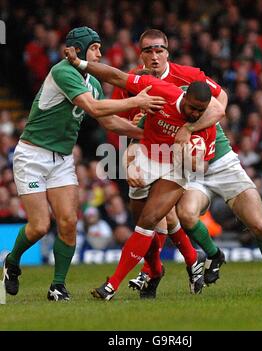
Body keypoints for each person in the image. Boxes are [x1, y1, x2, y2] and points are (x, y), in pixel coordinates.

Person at [124, 29, 262, 296]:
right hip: (185, 167)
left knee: (260, 226)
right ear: (141, 53)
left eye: (159, 50)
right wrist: (133, 145)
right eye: (149, 51)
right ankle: (209, 257)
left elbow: (221, 102)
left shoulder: (189, 75)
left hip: (220, 161)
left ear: (167, 52)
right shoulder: (136, 83)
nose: (154, 56)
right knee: (182, 215)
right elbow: (137, 127)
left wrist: (189, 129)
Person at [2, 26, 166, 302]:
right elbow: (93, 108)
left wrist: (144, 134)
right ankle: (12, 262)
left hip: (63, 158)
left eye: (100, 47)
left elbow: (108, 121)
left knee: (68, 222)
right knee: (40, 226)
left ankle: (57, 286)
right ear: (77, 51)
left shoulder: (94, 82)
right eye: (94, 48)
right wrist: (137, 100)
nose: (99, 52)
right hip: (32, 155)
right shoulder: (63, 72)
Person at [64, 45, 224, 300]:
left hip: (177, 168)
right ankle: (164, 267)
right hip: (147, 156)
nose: (194, 114)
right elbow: (117, 77)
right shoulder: (162, 92)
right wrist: (81, 64)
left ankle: (112, 285)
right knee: (146, 221)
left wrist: (191, 157)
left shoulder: (205, 126)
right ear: (186, 97)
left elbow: (201, 166)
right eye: (192, 108)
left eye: (200, 111)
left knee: (148, 220)